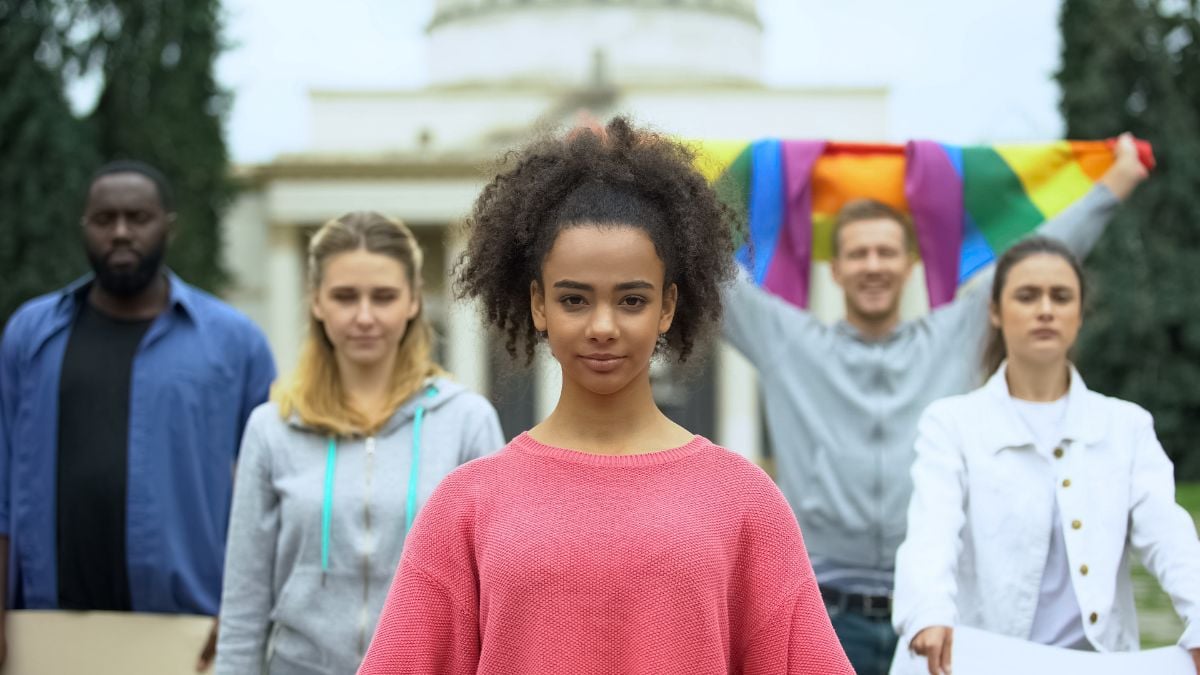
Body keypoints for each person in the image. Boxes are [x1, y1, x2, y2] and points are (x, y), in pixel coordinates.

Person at [357, 118, 853, 674]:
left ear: (668, 306)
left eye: (632, 301)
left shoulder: (744, 503)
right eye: (574, 300)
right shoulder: (466, 506)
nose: (602, 326)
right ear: (538, 305)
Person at [720, 134, 1150, 673]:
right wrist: (617, 175)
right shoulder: (787, 342)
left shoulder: (958, 334)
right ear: (836, 268)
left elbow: (1037, 260)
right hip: (820, 611)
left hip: (934, 614)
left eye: (885, 252)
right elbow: (710, 278)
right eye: (858, 253)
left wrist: (1117, 182)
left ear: (910, 264)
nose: (873, 265)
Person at [0, 160, 276, 670]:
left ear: (168, 226)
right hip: (45, 627)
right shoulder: (29, 335)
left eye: (138, 217)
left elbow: (273, 495)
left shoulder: (234, 343)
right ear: (85, 225)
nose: (122, 232)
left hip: (187, 631)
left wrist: (242, 617)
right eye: (105, 219)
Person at [893, 236, 1200, 675]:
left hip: (1098, 663)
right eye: (1026, 295)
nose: (1045, 309)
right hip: (985, 660)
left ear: (1080, 313)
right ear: (996, 312)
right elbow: (931, 531)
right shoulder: (952, 423)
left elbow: (1169, 536)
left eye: (1060, 297)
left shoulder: (1126, 426)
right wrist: (928, 611)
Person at [215, 212, 504, 674]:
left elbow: (493, 594)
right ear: (316, 302)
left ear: (412, 301)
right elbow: (244, 603)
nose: (364, 316)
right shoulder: (272, 428)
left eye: (384, 297)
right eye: (345, 296)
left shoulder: (467, 421)